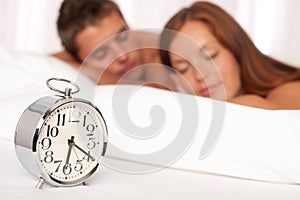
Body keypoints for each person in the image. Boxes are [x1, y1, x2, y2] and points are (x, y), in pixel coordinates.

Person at [160, 1, 300, 109]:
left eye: (210, 56)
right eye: (183, 68)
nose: (200, 75)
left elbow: (273, 112)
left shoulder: (290, 88)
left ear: (236, 49)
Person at [52, 0, 163, 85]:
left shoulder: (164, 55)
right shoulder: (65, 62)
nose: (122, 56)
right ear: (78, 59)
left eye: (122, 37)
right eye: (102, 53)